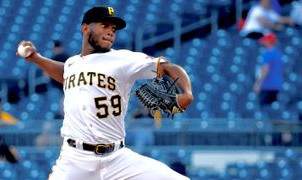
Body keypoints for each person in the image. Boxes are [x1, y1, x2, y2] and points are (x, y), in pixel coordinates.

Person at [16, 6, 193, 180]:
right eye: (104, 25)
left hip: (117, 158)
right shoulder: (72, 64)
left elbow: (168, 67)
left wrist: (187, 92)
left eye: (113, 29)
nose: (110, 32)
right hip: (75, 160)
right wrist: (36, 58)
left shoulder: (123, 59)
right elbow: (65, 73)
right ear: (85, 28)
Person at [253, 33, 283, 111]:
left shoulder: (268, 53)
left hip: (267, 86)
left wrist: (258, 83)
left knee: (264, 110)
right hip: (276, 85)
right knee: (272, 111)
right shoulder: (277, 53)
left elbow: (265, 68)